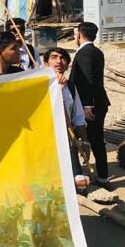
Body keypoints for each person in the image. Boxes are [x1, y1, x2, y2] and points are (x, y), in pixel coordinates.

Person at [70, 22, 111, 188]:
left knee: (93, 141)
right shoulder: (96, 51)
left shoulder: (84, 53)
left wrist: (87, 106)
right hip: (98, 102)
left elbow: (88, 80)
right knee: (96, 140)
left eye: (75, 34)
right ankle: (102, 177)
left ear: (79, 34)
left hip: (91, 106)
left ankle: (99, 178)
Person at [43, 47, 90, 191]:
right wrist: (55, 88)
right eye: (54, 57)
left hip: (68, 141)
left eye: (63, 58)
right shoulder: (39, 84)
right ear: (45, 63)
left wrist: (84, 140)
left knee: (77, 184)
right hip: (45, 144)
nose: (59, 61)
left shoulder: (70, 86)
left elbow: (78, 116)